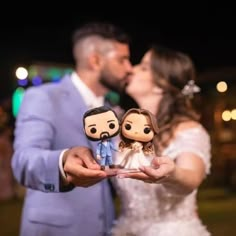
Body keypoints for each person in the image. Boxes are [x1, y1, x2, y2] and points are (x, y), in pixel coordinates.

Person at [11, 22, 132, 236]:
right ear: (95, 60)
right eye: (122, 59)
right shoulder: (43, 97)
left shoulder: (110, 109)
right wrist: (63, 161)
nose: (129, 68)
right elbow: (23, 160)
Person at [111, 45, 211, 236]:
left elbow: (191, 177)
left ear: (160, 84)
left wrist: (172, 174)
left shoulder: (190, 130)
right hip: (125, 229)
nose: (132, 68)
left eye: (144, 67)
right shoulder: (122, 128)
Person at [83, 106, 120, 170]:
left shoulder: (109, 142)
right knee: (103, 160)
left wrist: (117, 150)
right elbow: (98, 149)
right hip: (103, 154)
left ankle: (111, 165)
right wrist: (98, 155)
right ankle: (103, 166)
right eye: (93, 129)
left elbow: (113, 147)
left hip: (109, 154)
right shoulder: (100, 144)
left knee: (109, 159)